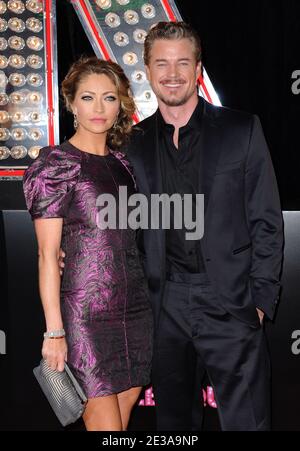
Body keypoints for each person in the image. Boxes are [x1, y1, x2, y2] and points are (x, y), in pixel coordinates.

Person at [126, 22, 283, 431]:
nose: (172, 73)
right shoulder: (132, 141)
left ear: (198, 68)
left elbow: (266, 218)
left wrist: (261, 299)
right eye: (161, 63)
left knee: (247, 421)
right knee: (174, 425)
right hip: (163, 306)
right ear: (146, 69)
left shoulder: (241, 129)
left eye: (182, 62)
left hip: (230, 301)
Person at [23, 57, 153, 431]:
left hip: (136, 308)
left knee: (123, 415)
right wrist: (54, 332)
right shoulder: (56, 164)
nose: (99, 108)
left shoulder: (124, 165)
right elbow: (48, 256)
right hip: (86, 315)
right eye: (88, 97)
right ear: (71, 103)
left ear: (121, 104)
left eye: (109, 98)